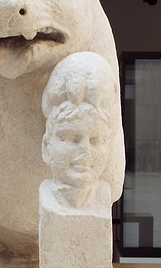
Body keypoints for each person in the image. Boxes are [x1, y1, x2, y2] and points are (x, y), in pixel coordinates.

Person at [42, 53, 114, 209]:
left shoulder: (103, 196)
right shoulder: (48, 199)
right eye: (71, 139)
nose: (85, 150)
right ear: (46, 146)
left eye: (95, 140)